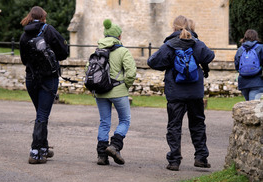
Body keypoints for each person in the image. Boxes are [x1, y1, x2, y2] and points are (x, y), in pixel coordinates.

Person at [147, 15, 215, 171]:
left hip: (175, 92)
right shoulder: (197, 44)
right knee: (198, 124)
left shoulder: (169, 45)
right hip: (195, 92)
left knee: (174, 126)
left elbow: (152, 61)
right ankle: (201, 158)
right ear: (189, 27)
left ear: (173, 27)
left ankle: (174, 161)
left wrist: (169, 64)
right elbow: (210, 56)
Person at [20, 6, 69, 164]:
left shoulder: (24, 35)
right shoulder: (48, 30)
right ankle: (35, 152)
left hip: (31, 79)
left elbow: (23, 60)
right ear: (43, 17)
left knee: (41, 113)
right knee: (42, 115)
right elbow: (63, 52)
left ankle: (43, 148)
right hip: (49, 79)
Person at [90, 19, 136, 166]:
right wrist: (125, 86)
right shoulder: (123, 51)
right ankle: (115, 146)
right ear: (119, 36)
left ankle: (102, 156)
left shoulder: (97, 51)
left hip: (101, 92)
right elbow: (131, 72)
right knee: (125, 119)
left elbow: (88, 70)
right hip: (119, 91)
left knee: (104, 122)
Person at [234, 29, 263, 101]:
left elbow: (237, 66)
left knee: (248, 104)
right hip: (257, 82)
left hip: (243, 82)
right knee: (252, 107)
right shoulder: (261, 47)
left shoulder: (240, 49)